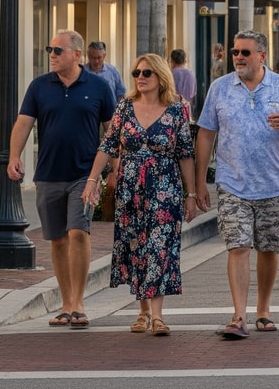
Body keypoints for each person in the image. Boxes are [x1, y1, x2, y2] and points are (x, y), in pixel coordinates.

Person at [193, 30, 279, 340]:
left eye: (245, 52)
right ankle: (239, 315)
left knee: (268, 249)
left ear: (262, 55)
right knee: (239, 246)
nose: (239, 57)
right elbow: (205, 134)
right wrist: (200, 182)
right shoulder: (220, 89)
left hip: (272, 184)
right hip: (232, 184)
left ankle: (264, 310)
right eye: (235, 52)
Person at [7, 29, 116, 329]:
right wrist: (14, 156)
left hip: (85, 175)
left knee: (78, 233)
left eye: (58, 50)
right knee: (57, 240)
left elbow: (112, 131)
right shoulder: (40, 86)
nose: (52, 56)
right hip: (49, 175)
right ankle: (66, 303)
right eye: (50, 50)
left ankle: (79, 304)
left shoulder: (98, 87)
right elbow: (23, 123)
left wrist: (116, 168)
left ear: (76, 54)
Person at [82, 54, 197, 336]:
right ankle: (143, 311)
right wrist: (92, 180)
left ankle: (157, 316)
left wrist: (191, 193)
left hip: (165, 189)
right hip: (130, 189)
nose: (140, 77)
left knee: (159, 248)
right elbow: (107, 145)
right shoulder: (124, 107)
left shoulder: (176, 110)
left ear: (160, 76)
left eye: (146, 72)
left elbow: (185, 153)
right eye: (136, 72)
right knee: (136, 248)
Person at [170, 49, 199, 121]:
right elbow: (193, 94)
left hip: (172, 111)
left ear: (172, 61)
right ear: (184, 61)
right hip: (186, 111)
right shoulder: (191, 74)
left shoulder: (170, 74)